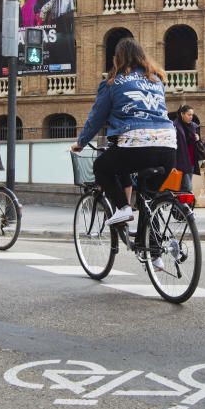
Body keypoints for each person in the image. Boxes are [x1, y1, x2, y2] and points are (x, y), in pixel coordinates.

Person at [71, 38, 176, 265]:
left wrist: (81, 142)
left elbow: (96, 118)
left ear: (118, 58)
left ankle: (123, 207)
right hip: (168, 146)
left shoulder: (113, 83)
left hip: (136, 145)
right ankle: (153, 251)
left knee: (101, 167)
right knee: (150, 199)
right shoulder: (156, 80)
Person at [173, 104, 201, 192]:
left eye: (192, 115)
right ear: (182, 114)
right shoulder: (176, 126)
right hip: (181, 162)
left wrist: (197, 139)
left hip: (191, 161)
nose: (191, 117)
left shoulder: (193, 126)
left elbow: (197, 144)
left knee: (184, 187)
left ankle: (181, 205)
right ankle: (183, 205)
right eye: (189, 114)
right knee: (188, 187)